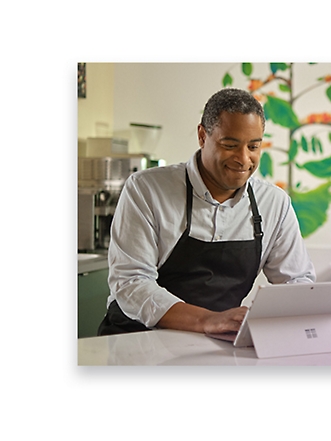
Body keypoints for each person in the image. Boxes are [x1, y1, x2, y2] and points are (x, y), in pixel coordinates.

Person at [98, 88, 316, 337]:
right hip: (135, 340)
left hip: (216, 344)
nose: (244, 160)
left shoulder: (274, 203)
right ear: (202, 136)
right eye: (230, 145)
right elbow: (131, 283)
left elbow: (296, 282)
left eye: (253, 147)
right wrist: (208, 320)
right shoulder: (147, 189)